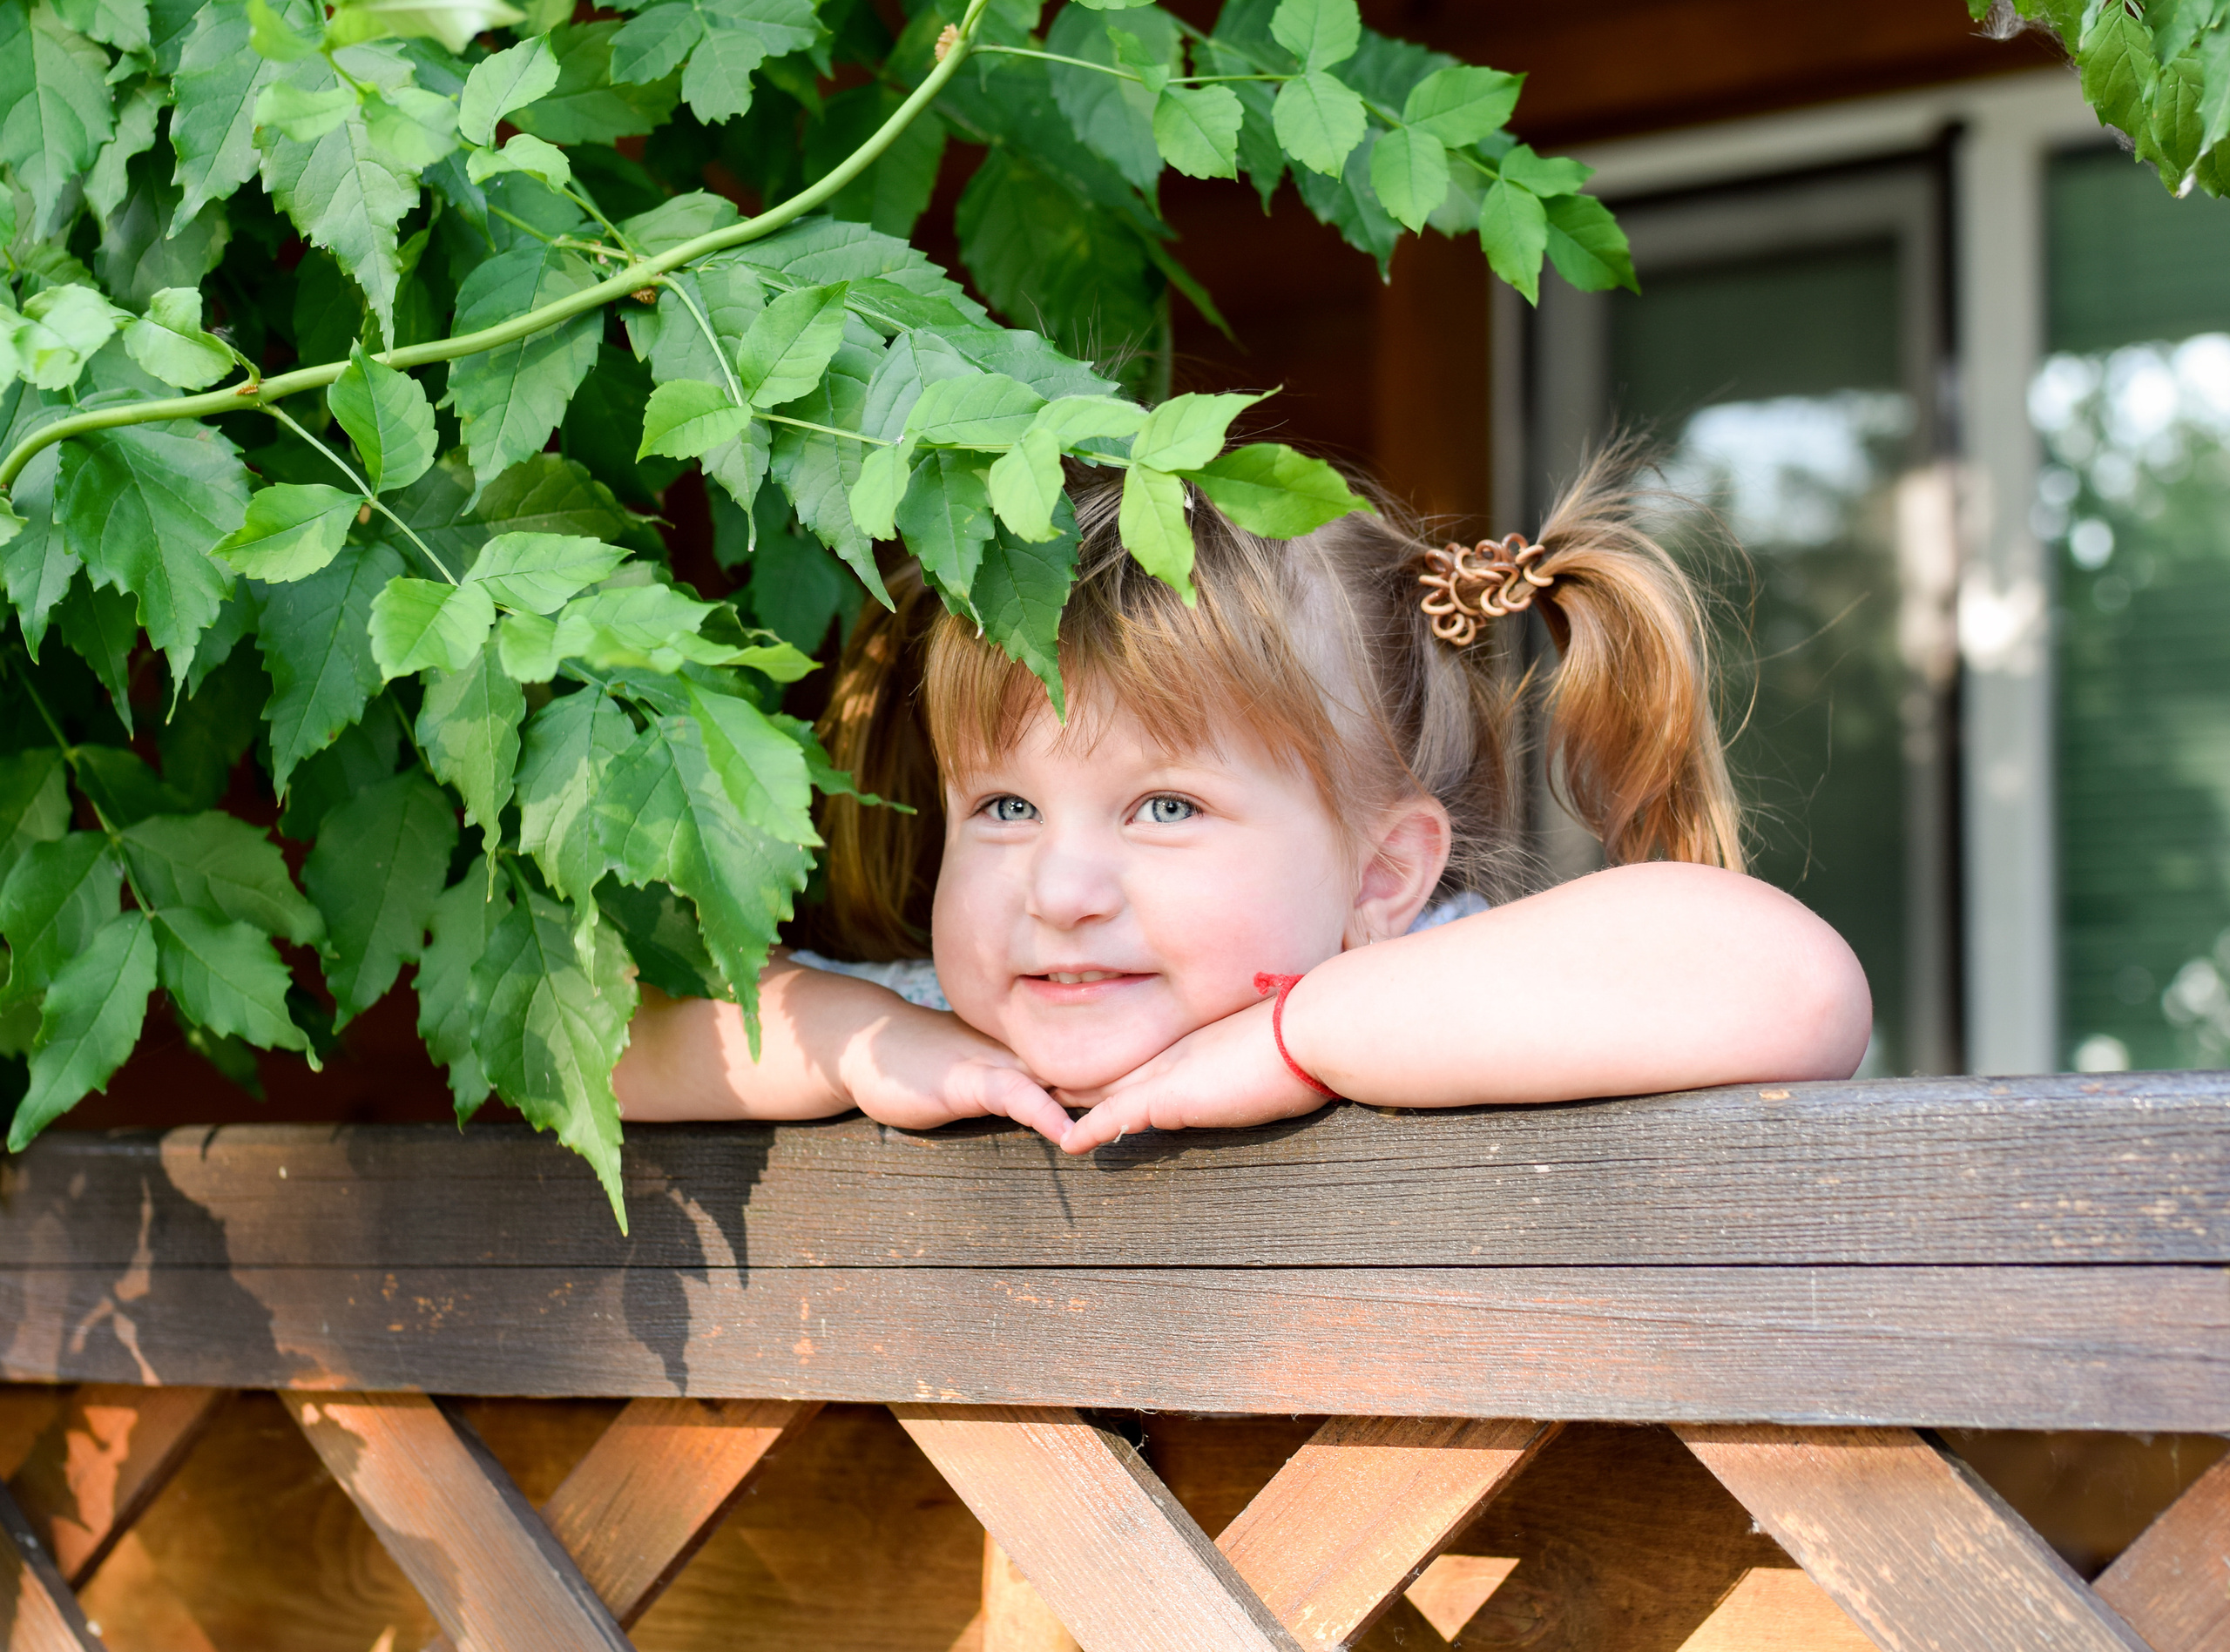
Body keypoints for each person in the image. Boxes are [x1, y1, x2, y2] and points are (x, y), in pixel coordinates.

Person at [614, 450, 1873, 1152]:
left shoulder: (1429, 974)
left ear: (1382, 877)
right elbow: (599, 1053)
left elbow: (1791, 985)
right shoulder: (973, 1029)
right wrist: (857, 1045)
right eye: (1003, 808)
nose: (1060, 892)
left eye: (1164, 808)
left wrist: (1299, 1037)